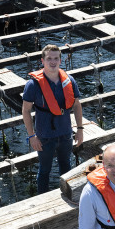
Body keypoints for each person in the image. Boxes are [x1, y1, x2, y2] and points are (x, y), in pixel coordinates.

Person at [22, 44, 84, 194]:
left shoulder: (69, 80)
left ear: (60, 61)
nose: (53, 62)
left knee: (66, 166)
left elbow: (76, 105)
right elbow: (26, 110)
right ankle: (42, 198)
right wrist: (32, 136)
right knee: (44, 170)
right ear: (42, 61)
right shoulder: (32, 85)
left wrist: (80, 129)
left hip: (65, 133)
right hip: (44, 136)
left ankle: (68, 195)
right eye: (49, 58)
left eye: (56, 58)